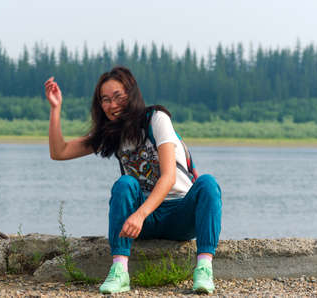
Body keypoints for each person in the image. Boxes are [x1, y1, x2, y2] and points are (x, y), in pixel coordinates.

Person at [44, 66, 222, 294]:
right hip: (142, 223)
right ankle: (119, 271)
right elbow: (59, 152)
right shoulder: (112, 133)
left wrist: (139, 214)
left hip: (179, 214)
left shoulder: (156, 119)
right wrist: (55, 108)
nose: (112, 105)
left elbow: (168, 178)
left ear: (132, 94)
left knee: (207, 184)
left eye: (118, 97)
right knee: (125, 185)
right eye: (105, 100)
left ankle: (204, 269)